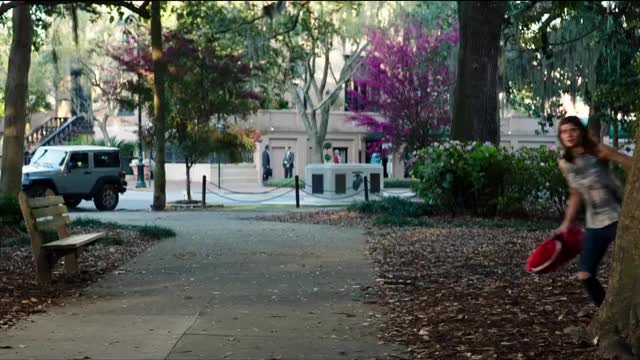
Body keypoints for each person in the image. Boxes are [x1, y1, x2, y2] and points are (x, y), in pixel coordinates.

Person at [556, 115, 632, 307]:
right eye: (564, 131)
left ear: (581, 132)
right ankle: (608, 314)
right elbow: (576, 193)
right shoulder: (565, 163)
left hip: (619, 218)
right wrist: (566, 223)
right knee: (585, 274)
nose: (569, 135)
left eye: (573, 130)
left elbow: (630, 164)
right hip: (594, 224)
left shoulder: (598, 151)